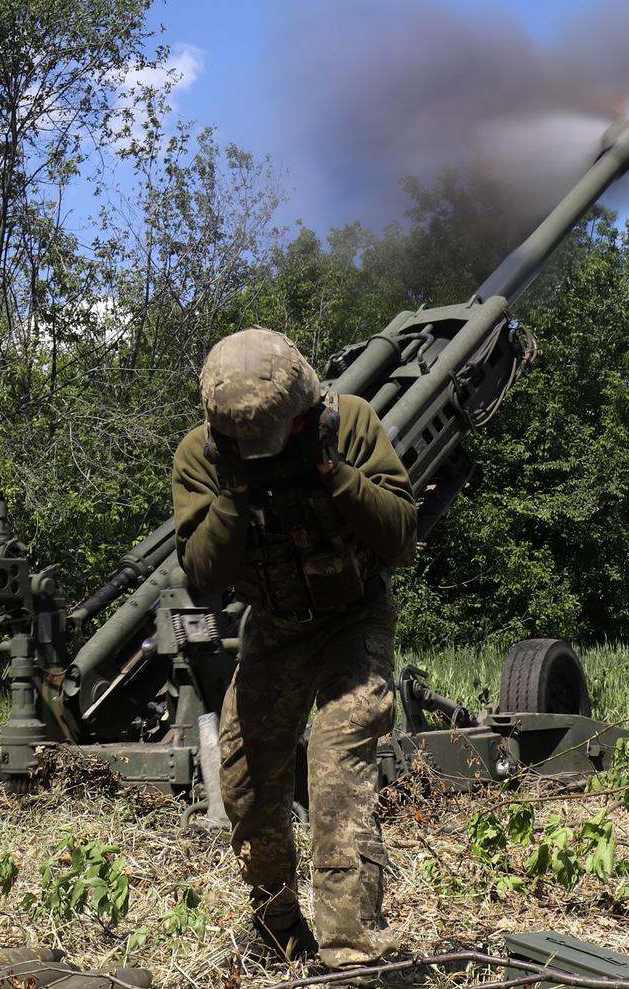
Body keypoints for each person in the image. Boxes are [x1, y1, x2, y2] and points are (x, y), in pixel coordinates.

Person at [171, 328, 418, 971]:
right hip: (276, 625)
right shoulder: (203, 456)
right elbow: (201, 578)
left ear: (304, 411)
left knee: (337, 767)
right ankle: (279, 925)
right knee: (246, 780)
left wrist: (331, 473)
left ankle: (350, 948)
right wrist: (233, 492)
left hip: (354, 618)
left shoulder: (352, 425)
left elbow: (400, 538)